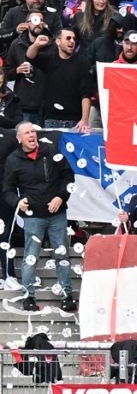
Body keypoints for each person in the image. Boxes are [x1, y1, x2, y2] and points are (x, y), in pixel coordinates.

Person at [2, 120, 77, 311]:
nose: (31, 135)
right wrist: (17, 202)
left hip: (57, 213)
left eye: (33, 132)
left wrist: (61, 196)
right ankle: (29, 297)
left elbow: (68, 176)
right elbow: (7, 190)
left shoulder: (51, 151)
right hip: (33, 216)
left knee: (61, 253)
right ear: (19, 138)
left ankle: (68, 296)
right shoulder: (13, 160)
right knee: (30, 257)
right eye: (27, 133)